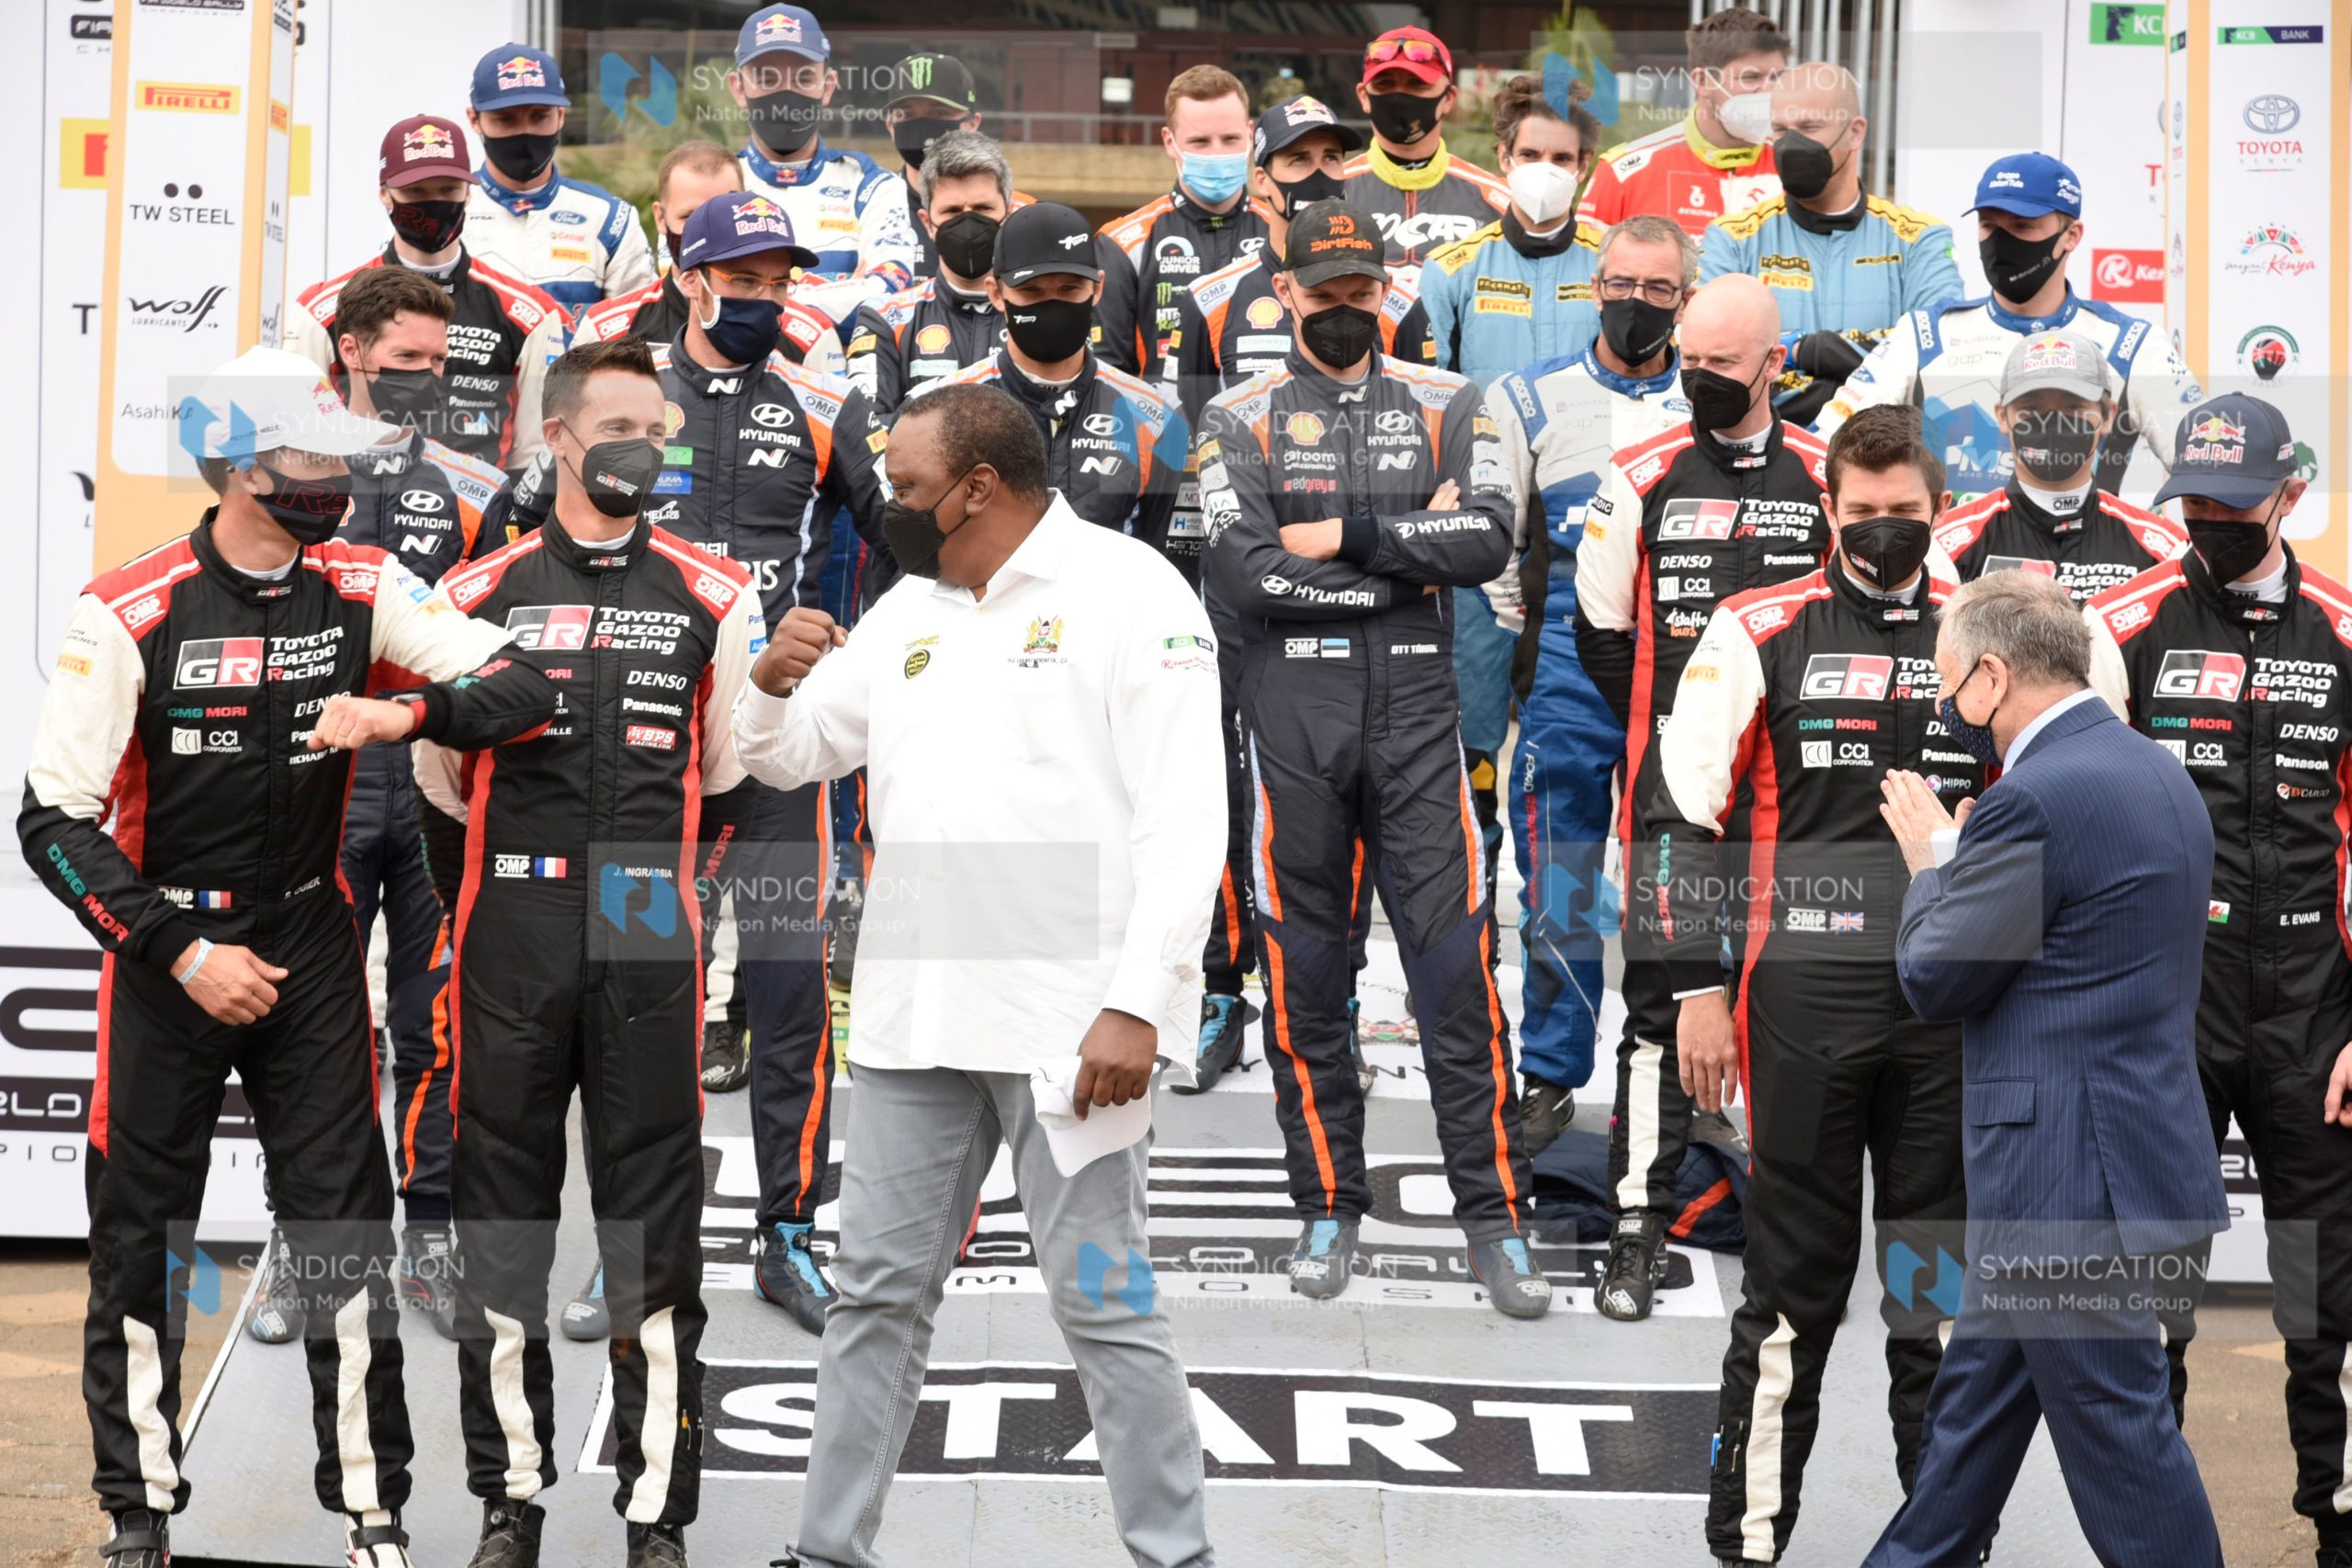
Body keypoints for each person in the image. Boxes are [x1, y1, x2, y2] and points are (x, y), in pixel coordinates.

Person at [18, 346, 556, 1568]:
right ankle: (139, 1510)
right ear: (245, 465)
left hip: (312, 937)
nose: (342, 474)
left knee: (342, 1234)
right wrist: (179, 945)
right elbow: (51, 818)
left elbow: (518, 685)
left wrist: (403, 711)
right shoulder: (132, 608)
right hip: (172, 950)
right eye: (313, 454)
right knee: (143, 1233)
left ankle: (373, 1513)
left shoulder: (365, 582)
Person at [740, 382, 1224, 1568]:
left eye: (904, 487)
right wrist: (765, 682)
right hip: (915, 1020)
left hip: (1075, 1035)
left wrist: (1139, 1004)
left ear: (979, 488)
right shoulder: (909, 605)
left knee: (1106, 1303)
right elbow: (795, 752)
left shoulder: (1131, 592)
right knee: (874, 1300)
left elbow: (1187, 819)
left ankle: (1177, 1554)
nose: (887, 506)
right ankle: (824, 1551)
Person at [416, 338, 763, 1568]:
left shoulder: (718, 593)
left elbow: (724, 774)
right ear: (556, 436)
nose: (643, 443)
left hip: (644, 914)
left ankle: (657, 1510)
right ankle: (510, 1502)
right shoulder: (472, 594)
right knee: (502, 1218)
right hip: (509, 911)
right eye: (618, 422)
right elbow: (443, 782)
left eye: (657, 424)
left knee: (652, 1222)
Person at [1194, 198, 1549, 1317]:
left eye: (1361, 290)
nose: (1344, 309)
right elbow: (1246, 572)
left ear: (1386, 289)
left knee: (1454, 976)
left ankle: (1493, 1219)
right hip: (1289, 724)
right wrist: (1404, 563)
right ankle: (1325, 1205)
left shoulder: (1455, 401)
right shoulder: (1234, 417)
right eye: (1323, 289)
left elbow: (1490, 539)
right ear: (1283, 289)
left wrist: (1342, 537)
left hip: (1417, 724)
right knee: (1306, 982)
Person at [1642, 406, 1980, 1565]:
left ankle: (1941, 1548)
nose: (1884, 532)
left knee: (1932, 1304)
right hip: (1804, 1003)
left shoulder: (1996, 630)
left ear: (1938, 512)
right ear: (1827, 507)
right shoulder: (1758, 623)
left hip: (1952, 1012)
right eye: (1863, 513)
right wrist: (1692, 987)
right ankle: (1747, 1547)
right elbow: (1679, 814)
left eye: (1905, 515)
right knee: (1791, 1297)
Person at [1867, 569, 2229, 1568]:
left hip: (2063, 1192)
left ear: (1990, 675)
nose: (1946, 709)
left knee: (2127, 1457)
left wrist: (1936, 864)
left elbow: (1937, 980)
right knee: (1964, 1444)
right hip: (2115, 1168)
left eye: (1949, 685)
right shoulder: (2153, 769)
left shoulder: (2029, 801)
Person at [2083, 393, 2352, 1568]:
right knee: (2155, 1295)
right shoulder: (2123, 622)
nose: (2207, 520)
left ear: (2289, 494)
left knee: (2321, 1293)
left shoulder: (2345, 629)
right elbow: (2071, 817)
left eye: (2231, 505)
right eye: (2190, 499)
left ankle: (2331, 1519)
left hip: (2314, 1000)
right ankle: (2158, 1531)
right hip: (2168, 1000)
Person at [1574, 274, 1830, 1318]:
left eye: (1723, 365)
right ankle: (1636, 1224)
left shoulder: (1825, 475)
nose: (1700, 379)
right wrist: (1680, 745)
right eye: (1688, 361)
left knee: (1791, 1005)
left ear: (1776, 364)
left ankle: (1788, 1224)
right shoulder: (1636, 471)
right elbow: (1601, 636)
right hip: (1674, 794)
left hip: (1798, 798)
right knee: (1655, 1011)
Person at [1164, 96, 1404, 1089]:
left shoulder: (1401, 293)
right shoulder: (1212, 296)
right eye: (1292, 159)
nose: (1312, 172)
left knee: (1339, 794)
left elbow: (1424, 456)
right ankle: (1224, 983)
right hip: (1239, 583)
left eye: (1330, 156)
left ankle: (1329, 987)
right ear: (1261, 178)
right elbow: (1192, 453)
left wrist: (1368, 549)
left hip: (1370, 583)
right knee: (1224, 787)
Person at [1481, 214, 1696, 1154]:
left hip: (1685, 671)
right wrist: (1520, 669)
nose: (1635, 303)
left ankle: (1680, 1081)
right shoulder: (1526, 398)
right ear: (1591, 286)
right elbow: (1496, 555)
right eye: (1620, 283)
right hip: (1569, 665)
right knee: (1558, 888)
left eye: (1657, 290)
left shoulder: (1715, 401)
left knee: (1683, 889)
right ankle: (1550, 1077)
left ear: (1684, 301)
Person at [332, 266, 510, 1340]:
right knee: (317, 1026)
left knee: (436, 1023)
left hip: (438, 787)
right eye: (405, 363)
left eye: (437, 365)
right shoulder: (287, 469)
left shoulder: (470, 482)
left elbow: (494, 642)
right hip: (324, 785)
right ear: (351, 352)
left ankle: (432, 1237)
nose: (425, 381)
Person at [1419, 70, 1605, 941]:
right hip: (1481, 548)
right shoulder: (1450, 269)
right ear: (1501, 158)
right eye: (1530, 154)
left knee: (1568, 753)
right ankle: (1468, 929)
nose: (1545, 169)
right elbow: (1423, 402)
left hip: (1585, 548)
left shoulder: (1615, 268)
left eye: (1562, 157)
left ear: (1587, 167)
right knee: (1476, 748)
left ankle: (1561, 927)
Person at [1816, 151, 2205, 501]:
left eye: (2021, 227)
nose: (2001, 242)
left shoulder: (2129, 343)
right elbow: (1827, 444)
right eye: (1988, 227)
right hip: (1951, 570)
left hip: (2081, 568)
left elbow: (2206, 462)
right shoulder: (1924, 333)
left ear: (2071, 236)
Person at [288, 114, 569, 474]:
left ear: (469, 193)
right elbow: (299, 439)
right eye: (416, 192)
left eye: (447, 190)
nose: (433, 204)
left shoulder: (528, 313)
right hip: (355, 514)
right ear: (384, 194)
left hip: (480, 517)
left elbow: (534, 455)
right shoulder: (321, 310)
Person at [913, 202, 1188, 562]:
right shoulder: (936, 410)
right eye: (1032, 292)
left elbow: (1171, 568)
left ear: (1098, 288)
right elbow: (911, 560)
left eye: (1069, 289)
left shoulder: (1157, 420)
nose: (1052, 305)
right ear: (996, 293)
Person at [1698, 62, 1961, 422]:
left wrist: (1805, 350)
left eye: (1809, 128)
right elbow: (1715, 362)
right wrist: (1846, 394)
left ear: (1855, 133)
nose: (1790, 144)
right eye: (1780, 130)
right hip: (1770, 461)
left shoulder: (1919, 239)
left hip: (1882, 461)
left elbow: (1937, 352)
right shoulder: (1732, 239)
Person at [1932, 327, 2185, 599]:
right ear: (2003, 417)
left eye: (2073, 407)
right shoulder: (1944, 545)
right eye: (2032, 409)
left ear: (2108, 416)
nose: (2053, 423)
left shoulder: (2165, 549)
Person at [572, 141, 847, 378]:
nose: (704, 231)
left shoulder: (810, 336)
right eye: (690, 217)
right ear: (660, 217)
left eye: (725, 213)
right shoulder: (604, 329)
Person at [729, 4, 922, 306]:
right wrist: (846, 288)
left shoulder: (873, 185)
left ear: (828, 86)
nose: (785, 94)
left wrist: (750, 294)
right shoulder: (712, 185)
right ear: (738, 89)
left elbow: (890, 295)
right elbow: (691, 301)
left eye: (803, 79)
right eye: (767, 80)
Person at [1095, 65, 1272, 382]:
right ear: (1169, 140)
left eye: (1230, 139)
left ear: (1250, 134)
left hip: (1263, 427)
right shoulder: (1122, 243)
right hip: (1162, 428)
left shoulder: (1283, 234)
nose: (1217, 153)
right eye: (1200, 142)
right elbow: (1108, 373)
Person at [460, 42, 659, 316]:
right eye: (505, 120)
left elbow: (639, 330)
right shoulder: (449, 212)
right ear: (474, 119)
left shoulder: (609, 219)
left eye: (539, 117)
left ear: (561, 116)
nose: (525, 131)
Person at [1577, 7, 1785, 240]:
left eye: (1777, 77)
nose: (1769, 90)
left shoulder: (1794, 166)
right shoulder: (1625, 171)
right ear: (1702, 81)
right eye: (1751, 77)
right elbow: (1585, 268)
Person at [842, 129, 1013, 412]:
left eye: (983, 208)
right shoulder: (884, 318)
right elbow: (866, 433)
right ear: (926, 223)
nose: (968, 223)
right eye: (952, 211)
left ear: (1007, 214)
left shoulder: (1037, 309)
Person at [1340, 26, 1510, 287]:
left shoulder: (1497, 201)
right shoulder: (1331, 192)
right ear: (1364, 96)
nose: (1400, 96)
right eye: (1385, 84)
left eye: (1417, 84)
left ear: (1449, 98)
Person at [877, 51, 1028, 279]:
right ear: (891, 127)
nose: (922, 125)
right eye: (907, 114)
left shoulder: (1022, 216)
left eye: (939, 113)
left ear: (972, 124)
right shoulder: (871, 212)